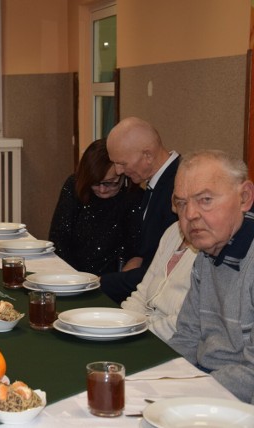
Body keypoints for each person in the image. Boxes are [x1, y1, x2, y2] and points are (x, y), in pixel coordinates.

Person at [167, 150, 254, 403]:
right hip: (207, 387)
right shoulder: (207, 253)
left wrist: (187, 393)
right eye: (181, 203)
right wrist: (159, 379)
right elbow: (186, 337)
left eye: (205, 199)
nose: (190, 214)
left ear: (245, 198)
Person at [100, 117, 180, 303]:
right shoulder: (156, 183)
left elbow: (162, 271)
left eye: (122, 163)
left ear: (148, 156)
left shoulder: (177, 188)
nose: (118, 171)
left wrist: (100, 282)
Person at [49, 139, 143, 275]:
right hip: (70, 275)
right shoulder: (74, 185)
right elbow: (59, 238)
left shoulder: (134, 198)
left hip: (110, 282)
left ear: (123, 174)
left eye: (110, 183)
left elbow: (136, 253)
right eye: (95, 183)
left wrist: (113, 283)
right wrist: (73, 278)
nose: (102, 189)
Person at [121, 221, 197, 341]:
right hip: (143, 329)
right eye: (181, 203)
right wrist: (122, 323)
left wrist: (138, 334)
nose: (188, 211)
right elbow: (142, 293)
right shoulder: (173, 230)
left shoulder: (210, 243)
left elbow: (183, 321)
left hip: (167, 340)